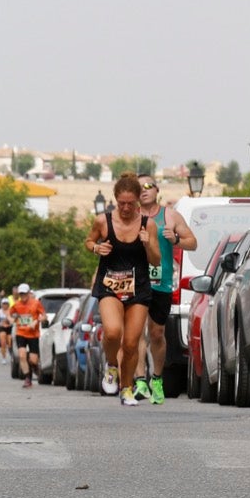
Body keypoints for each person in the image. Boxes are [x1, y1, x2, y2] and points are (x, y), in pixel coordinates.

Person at [87, 172, 161, 405]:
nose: (126, 208)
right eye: (122, 204)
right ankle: (111, 365)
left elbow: (156, 261)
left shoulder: (147, 225)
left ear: (138, 201)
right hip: (110, 285)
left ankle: (126, 388)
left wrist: (147, 244)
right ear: (116, 200)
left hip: (138, 288)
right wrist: (96, 249)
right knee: (111, 332)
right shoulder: (103, 221)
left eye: (131, 204)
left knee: (131, 343)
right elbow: (89, 241)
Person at [138, 176, 196, 404]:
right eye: (138, 187)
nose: (142, 191)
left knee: (156, 333)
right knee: (136, 332)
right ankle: (140, 380)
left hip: (161, 283)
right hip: (136, 282)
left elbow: (193, 242)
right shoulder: (130, 217)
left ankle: (157, 379)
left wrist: (176, 239)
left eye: (147, 186)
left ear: (156, 190)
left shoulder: (169, 216)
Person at [10, 283, 45, 387]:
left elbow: (44, 316)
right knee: (22, 355)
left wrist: (36, 321)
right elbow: (9, 314)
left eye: (25, 294)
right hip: (21, 333)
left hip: (33, 334)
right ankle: (27, 378)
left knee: (33, 360)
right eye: (21, 294)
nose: (23, 296)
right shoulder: (16, 304)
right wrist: (11, 319)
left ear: (29, 293)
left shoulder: (36, 303)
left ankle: (35, 368)